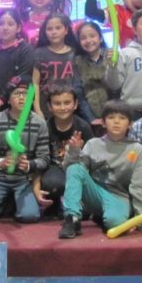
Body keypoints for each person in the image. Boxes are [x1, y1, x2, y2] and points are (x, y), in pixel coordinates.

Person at [58, 100, 142, 239]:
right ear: (103, 122)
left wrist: (141, 218)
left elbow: (138, 185)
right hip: (94, 192)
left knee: (115, 223)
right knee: (75, 167)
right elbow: (72, 171)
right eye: (111, 117)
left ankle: (102, 216)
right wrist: (74, 151)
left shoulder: (137, 149)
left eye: (122, 118)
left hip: (118, 196)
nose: (116, 122)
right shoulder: (93, 144)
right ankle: (72, 219)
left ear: (130, 124)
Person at [0, 82, 49, 223]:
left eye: (26, 94)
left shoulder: (40, 123)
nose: (22, 97)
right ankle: (8, 203)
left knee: (29, 216)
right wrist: (1, 162)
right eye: (17, 94)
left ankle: (14, 203)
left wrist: (29, 165)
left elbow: (45, 158)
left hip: (24, 180)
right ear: (9, 100)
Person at [34, 80, 94, 215]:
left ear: (75, 104)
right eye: (57, 103)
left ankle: (77, 202)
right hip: (55, 169)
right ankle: (54, 203)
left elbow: (92, 160)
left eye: (67, 103)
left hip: (77, 169)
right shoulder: (45, 127)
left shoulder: (83, 127)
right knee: (52, 182)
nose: (62, 107)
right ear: (49, 106)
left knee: (84, 214)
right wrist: (36, 187)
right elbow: (39, 160)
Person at [0, 9, 34, 118]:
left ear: (18, 28)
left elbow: (22, 76)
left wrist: (2, 98)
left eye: (10, 24)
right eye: (1, 24)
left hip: (18, 104)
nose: (5, 28)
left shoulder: (25, 49)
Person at [32, 13, 78, 119]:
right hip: (45, 108)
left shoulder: (75, 53)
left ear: (66, 30)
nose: (54, 32)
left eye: (58, 28)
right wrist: (37, 109)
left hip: (70, 108)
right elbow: (35, 83)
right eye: (49, 29)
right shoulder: (39, 53)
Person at [73, 21, 114, 134]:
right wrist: (91, 118)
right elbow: (79, 93)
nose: (88, 40)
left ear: (100, 38)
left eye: (92, 36)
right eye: (83, 38)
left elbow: (118, 88)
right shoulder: (77, 62)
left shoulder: (112, 56)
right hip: (90, 119)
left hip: (115, 115)